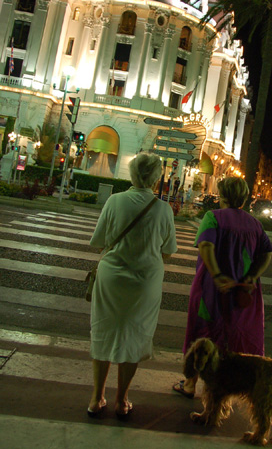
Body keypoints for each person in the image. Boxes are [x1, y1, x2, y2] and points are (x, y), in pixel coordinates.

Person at [88, 152, 177, 418]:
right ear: (156, 177)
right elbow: (168, 251)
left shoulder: (115, 201)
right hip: (145, 282)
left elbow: (100, 240)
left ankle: (96, 398)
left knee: (104, 332)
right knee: (134, 335)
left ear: (132, 173)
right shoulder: (163, 209)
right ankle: (121, 399)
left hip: (111, 278)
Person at [173, 176, 272, 399]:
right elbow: (267, 253)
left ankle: (190, 384)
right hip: (243, 291)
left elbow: (206, 245)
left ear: (223, 196)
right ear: (244, 198)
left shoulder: (213, 217)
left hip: (212, 288)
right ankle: (227, 385)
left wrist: (217, 274)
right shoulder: (255, 224)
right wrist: (252, 277)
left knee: (202, 332)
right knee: (235, 335)